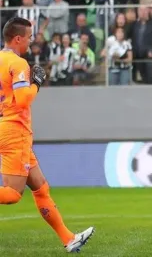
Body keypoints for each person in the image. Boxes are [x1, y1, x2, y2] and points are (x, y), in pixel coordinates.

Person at [0, 17, 94, 252]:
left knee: (41, 187)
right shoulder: (18, 63)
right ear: (18, 38)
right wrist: (37, 83)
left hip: (5, 125)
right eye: (29, 38)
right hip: (15, 130)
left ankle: (68, 238)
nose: (31, 42)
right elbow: (22, 101)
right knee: (12, 194)